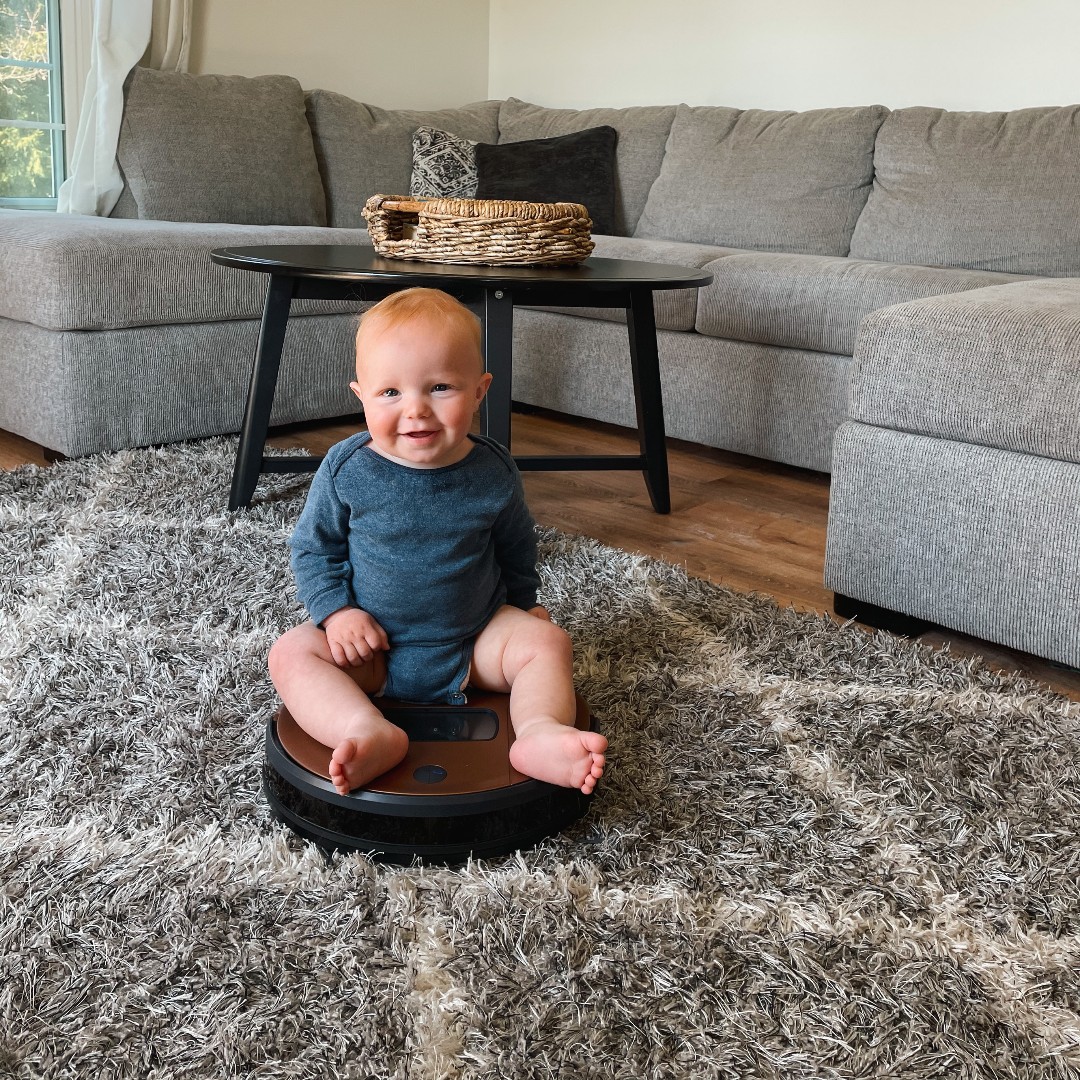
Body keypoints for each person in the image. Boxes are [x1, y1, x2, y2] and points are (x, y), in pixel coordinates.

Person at [268, 287, 607, 798]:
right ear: (361, 396)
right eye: (390, 393)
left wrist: (524, 607)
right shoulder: (346, 467)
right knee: (291, 653)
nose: (416, 410)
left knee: (548, 643)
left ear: (479, 390)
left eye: (441, 387)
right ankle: (363, 729)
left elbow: (516, 548)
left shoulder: (493, 471)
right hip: (373, 648)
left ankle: (538, 733)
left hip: (474, 643)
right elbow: (314, 550)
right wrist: (336, 613)